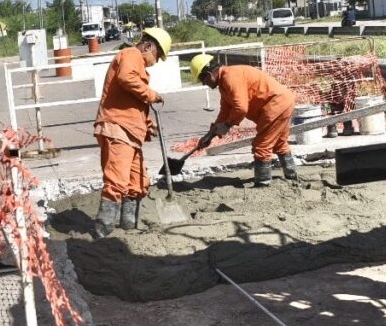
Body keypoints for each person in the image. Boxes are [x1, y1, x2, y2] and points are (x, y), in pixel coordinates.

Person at [92, 28, 172, 238]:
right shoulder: (131, 55)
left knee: (137, 183)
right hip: (118, 128)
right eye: (157, 56)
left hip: (130, 133)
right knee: (117, 181)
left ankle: (129, 228)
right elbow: (126, 79)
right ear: (148, 46)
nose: (155, 62)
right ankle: (103, 232)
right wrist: (151, 94)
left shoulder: (138, 62)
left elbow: (134, 101)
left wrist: (147, 123)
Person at [191, 54, 298, 186]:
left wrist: (228, 125)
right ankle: (292, 177)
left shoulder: (230, 78)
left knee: (261, 146)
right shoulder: (224, 83)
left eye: (203, 80)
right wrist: (210, 134)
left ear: (209, 74)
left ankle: (263, 184)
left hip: (276, 104)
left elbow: (241, 108)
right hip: (281, 102)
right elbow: (225, 111)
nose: (204, 84)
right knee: (279, 143)